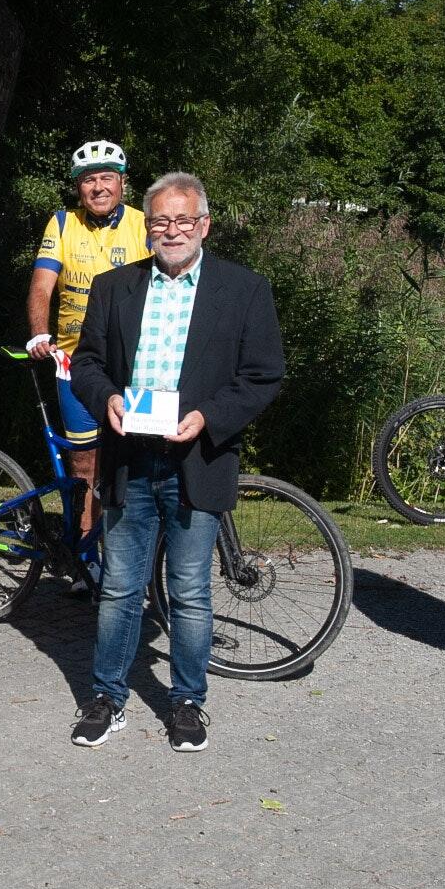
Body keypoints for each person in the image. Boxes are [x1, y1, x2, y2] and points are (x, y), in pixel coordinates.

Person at [69, 171, 284, 752]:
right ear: (148, 226)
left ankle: (188, 701)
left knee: (189, 590)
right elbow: (86, 363)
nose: (171, 231)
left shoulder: (243, 290)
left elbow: (262, 375)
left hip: (197, 458)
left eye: (183, 220)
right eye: (160, 221)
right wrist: (107, 398)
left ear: (204, 225)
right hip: (129, 458)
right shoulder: (115, 287)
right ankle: (106, 696)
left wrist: (210, 417)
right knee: (119, 588)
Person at [25, 140, 151, 555]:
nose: (98, 187)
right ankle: (82, 552)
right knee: (83, 466)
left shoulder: (144, 224)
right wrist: (40, 333)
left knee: (140, 458)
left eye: (106, 178)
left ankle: (129, 551)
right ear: (79, 187)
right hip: (75, 364)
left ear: (122, 184)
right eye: (89, 180)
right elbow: (42, 286)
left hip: (132, 365)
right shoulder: (61, 224)